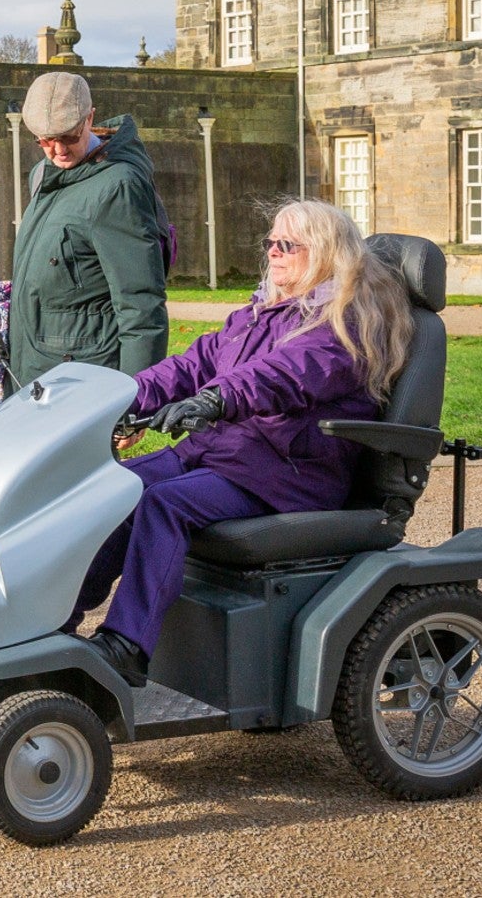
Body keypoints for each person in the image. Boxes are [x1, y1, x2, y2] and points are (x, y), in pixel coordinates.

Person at [68, 199, 409, 687]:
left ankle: (126, 646)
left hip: (288, 472)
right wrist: (123, 396)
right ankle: (55, 627)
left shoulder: (343, 323)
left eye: (287, 245)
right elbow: (195, 362)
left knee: (166, 503)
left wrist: (216, 399)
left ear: (327, 253)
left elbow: (284, 374)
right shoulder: (262, 313)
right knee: (114, 489)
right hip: (228, 456)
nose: (273, 252)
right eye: (271, 242)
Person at [4, 71, 170, 390]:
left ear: (90, 117)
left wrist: (134, 402)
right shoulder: (42, 174)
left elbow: (141, 302)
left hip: (83, 380)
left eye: (69, 136)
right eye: (46, 140)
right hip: (35, 369)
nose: (59, 150)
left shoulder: (118, 187)